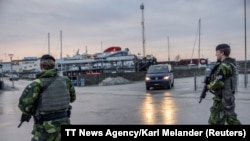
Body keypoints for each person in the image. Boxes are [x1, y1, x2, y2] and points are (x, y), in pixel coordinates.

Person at [18, 54, 76, 141]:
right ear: (54, 66)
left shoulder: (36, 84)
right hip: (64, 123)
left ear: (41, 66)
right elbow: (72, 99)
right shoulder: (66, 81)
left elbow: (24, 106)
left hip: (44, 128)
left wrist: (32, 110)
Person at [207, 43, 241, 125]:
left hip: (222, 99)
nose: (216, 54)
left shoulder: (224, 66)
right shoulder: (231, 63)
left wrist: (209, 85)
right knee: (231, 119)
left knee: (214, 121)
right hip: (228, 97)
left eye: (217, 52)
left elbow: (218, 83)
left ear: (222, 52)